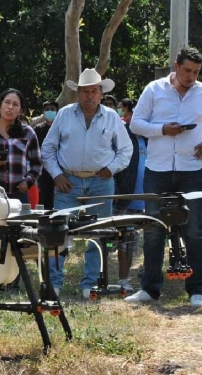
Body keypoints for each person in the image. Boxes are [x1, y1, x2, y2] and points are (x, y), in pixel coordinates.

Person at [125, 47, 202, 308]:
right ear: (176, 66)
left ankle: (196, 290)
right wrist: (162, 130)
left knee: (194, 230)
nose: (191, 76)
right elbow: (135, 124)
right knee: (153, 229)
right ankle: (150, 289)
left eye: (196, 72)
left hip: (192, 170)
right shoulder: (154, 89)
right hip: (157, 170)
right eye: (187, 70)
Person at [41, 68, 132, 298]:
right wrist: (56, 175)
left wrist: (110, 169)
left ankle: (90, 283)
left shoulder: (112, 117)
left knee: (98, 233)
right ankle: (54, 282)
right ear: (78, 93)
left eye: (94, 91)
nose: (89, 95)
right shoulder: (63, 114)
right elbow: (48, 148)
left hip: (100, 183)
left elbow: (125, 150)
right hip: (67, 181)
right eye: (85, 91)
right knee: (58, 233)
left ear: (100, 93)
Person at [113, 99, 147, 292]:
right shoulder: (122, 134)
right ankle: (109, 278)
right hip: (122, 197)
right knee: (113, 240)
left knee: (130, 241)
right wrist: (117, 192)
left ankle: (125, 278)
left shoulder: (148, 138)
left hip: (142, 201)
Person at [33, 100, 59, 209]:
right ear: (43, 111)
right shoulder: (38, 129)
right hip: (43, 169)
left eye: (52, 109)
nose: (50, 112)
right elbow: (34, 149)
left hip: (60, 169)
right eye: (47, 109)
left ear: (57, 111)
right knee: (45, 198)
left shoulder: (61, 127)